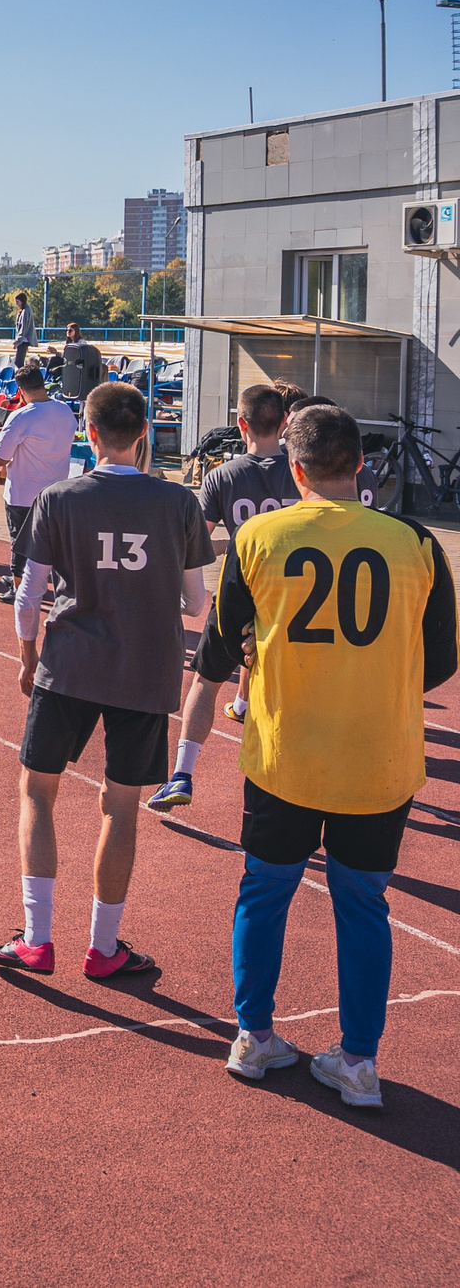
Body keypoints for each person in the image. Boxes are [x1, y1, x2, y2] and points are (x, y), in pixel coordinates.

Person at [181, 401, 456, 1105]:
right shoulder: (417, 544)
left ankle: (253, 1036)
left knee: (265, 890)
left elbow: (215, 649)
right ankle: (359, 1061)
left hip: (285, 755)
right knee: (363, 904)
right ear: (360, 465)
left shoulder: (259, 536)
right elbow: (440, 662)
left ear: (295, 470)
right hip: (378, 758)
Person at [0, 381, 210, 986]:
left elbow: (30, 592)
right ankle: (103, 946)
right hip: (145, 668)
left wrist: (28, 655)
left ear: (88, 432)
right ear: (144, 433)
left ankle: (36, 938)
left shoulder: (59, 499)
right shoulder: (179, 503)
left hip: (72, 663)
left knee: (37, 791)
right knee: (122, 804)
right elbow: (195, 604)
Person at [153, 384, 299, 811]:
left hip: (242, 590)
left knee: (205, 680)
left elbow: (194, 542)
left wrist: (232, 546)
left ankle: (182, 774)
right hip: (294, 594)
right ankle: (288, 779)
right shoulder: (302, 470)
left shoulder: (224, 475)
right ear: (285, 422)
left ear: (242, 424)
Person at [0, 365, 77, 604]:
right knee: (50, 539)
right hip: (56, 489)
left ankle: (20, 588)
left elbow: (0, 458)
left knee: (21, 542)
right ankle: (39, 582)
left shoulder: (22, 416)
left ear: (20, 389)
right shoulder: (65, 410)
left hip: (24, 492)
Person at [58, 323, 104, 421]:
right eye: (66, 330)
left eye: (70, 330)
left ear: (76, 331)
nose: (67, 332)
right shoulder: (68, 344)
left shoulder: (81, 343)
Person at [12, 290, 36, 372]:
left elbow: (23, 328)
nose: (16, 303)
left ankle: (23, 375)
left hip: (24, 340)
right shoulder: (23, 310)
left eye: (18, 301)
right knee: (19, 361)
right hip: (23, 340)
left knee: (19, 362)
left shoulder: (26, 311)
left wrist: (18, 341)